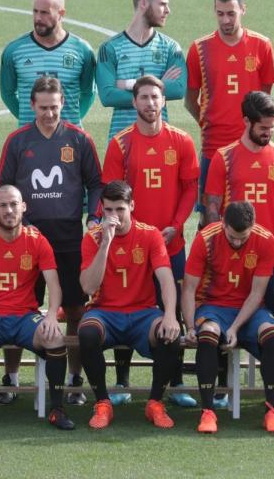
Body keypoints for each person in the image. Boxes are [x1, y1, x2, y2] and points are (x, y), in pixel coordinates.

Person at [0, 76, 103, 405]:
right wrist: (18, 225)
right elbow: (3, 185)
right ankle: (11, 378)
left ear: (62, 104)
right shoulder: (17, 142)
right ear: (31, 106)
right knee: (17, 309)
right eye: (43, 108)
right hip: (26, 241)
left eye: (54, 107)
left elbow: (96, 183)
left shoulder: (79, 140)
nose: (49, 114)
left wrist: (93, 217)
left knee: (74, 311)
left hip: (69, 241)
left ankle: (73, 378)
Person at [102, 75, 199, 407]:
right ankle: (122, 381)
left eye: (155, 97)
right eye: (143, 97)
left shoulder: (182, 141)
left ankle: (177, 382)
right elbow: (110, 195)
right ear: (134, 102)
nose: (149, 103)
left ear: (163, 101)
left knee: (174, 310)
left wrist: (175, 225)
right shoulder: (121, 144)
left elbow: (190, 189)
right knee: (125, 306)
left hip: (171, 243)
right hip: (130, 246)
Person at [0, 185, 75, 430]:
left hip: (25, 318)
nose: (9, 210)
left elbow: (54, 284)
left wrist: (51, 316)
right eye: (3, 205)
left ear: (23, 207)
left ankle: (57, 409)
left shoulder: (37, 240)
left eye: (13, 204)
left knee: (56, 339)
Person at [77, 180, 182, 430]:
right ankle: (102, 402)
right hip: (105, 313)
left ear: (132, 206)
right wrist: (106, 243)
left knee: (171, 336)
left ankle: (155, 403)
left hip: (142, 314)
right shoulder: (93, 238)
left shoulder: (149, 234)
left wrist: (169, 315)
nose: (114, 216)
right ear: (101, 209)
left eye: (120, 209)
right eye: (108, 210)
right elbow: (88, 287)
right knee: (87, 333)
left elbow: (166, 278)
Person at [181, 201, 274, 434]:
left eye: (243, 238)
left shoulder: (266, 239)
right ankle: (207, 412)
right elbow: (188, 288)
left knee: (272, 335)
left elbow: (257, 292)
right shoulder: (206, 238)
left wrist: (236, 328)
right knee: (207, 334)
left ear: (253, 227)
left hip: (250, 309)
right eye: (232, 236)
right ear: (223, 224)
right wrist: (189, 327)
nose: (237, 242)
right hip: (212, 306)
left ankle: (272, 411)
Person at [204, 90, 274, 319]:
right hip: (235, 257)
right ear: (246, 121)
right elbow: (212, 211)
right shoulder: (224, 157)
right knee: (226, 319)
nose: (268, 133)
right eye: (263, 128)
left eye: (272, 128)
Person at [186, 0, 274, 216]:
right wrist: (208, 122)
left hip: (251, 145)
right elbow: (190, 99)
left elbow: (265, 96)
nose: (225, 20)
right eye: (220, 13)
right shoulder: (199, 49)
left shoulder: (261, 45)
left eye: (231, 13)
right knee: (209, 216)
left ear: (243, 9)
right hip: (213, 146)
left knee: (251, 211)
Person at [95, 0, 186, 142]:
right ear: (143, 4)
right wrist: (158, 88)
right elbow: (107, 96)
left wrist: (128, 84)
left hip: (160, 142)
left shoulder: (171, 47)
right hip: (122, 142)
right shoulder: (109, 48)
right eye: (162, 4)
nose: (168, 10)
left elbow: (178, 89)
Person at [0, 0, 97, 127]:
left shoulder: (82, 50)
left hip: (69, 140)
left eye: (45, 12)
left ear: (61, 13)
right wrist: (31, 122)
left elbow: (88, 93)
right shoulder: (14, 51)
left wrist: (68, 123)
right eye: (35, 11)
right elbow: (8, 94)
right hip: (30, 141)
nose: (38, 18)